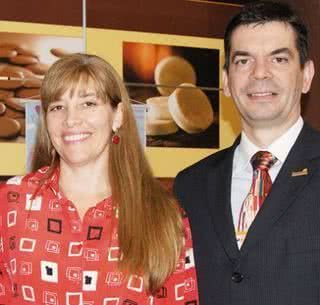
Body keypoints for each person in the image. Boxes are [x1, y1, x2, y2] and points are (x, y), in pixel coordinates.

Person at [0, 53, 199, 305]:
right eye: (58, 107)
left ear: (118, 116)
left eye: (88, 104)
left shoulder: (164, 214)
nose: (71, 120)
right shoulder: (10, 203)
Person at [174, 1, 317, 305]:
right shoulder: (190, 185)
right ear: (226, 81)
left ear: (306, 76)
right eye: (243, 61)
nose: (259, 74)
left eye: (278, 59)